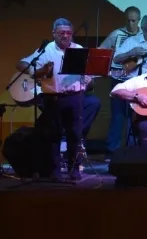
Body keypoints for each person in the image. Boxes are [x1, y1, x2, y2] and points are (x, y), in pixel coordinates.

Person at [16, 18, 96, 180]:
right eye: (61, 33)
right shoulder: (46, 50)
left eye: (68, 33)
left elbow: (90, 79)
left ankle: (74, 169)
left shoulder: (79, 50)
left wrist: (89, 80)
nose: (65, 36)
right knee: (53, 136)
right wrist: (36, 71)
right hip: (53, 98)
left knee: (75, 135)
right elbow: (21, 63)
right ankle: (55, 171)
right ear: (54, 34)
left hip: (75, 97)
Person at [100, 6, 141, 158]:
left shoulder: (142, 36)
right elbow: (102, 50)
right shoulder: (117, 34)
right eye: (128, 20)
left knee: (134, 115)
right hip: (117, 78)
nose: (131, 24)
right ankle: (112, 150)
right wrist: (106, 67)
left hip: (136, 80)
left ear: (139, 20)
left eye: (134, 21)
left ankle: (131, 150)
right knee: (117, 115)